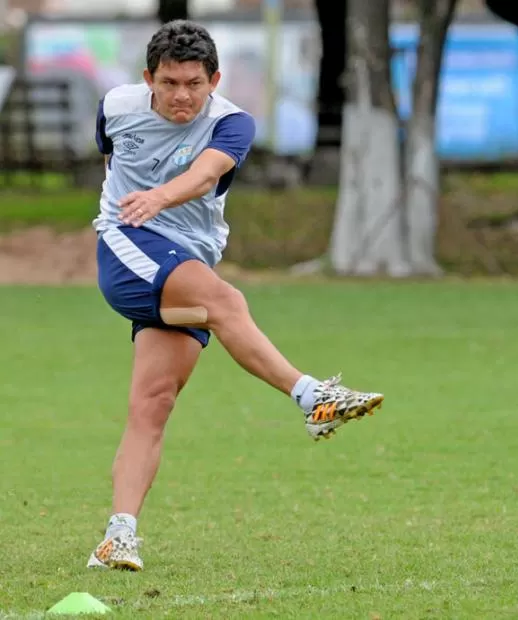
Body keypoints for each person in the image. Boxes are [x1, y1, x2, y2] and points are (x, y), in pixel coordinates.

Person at [86, 20, 385, 572]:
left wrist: (160, 197)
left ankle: (117, 537)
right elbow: (112, 161)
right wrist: (137, 208)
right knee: (227, 303)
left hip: (185, 260)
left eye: (194, 83)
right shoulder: (116, 105)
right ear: (148, 77)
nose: (181, 95)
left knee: (153, 405)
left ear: (214, 80)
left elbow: (204, 177)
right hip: (126, 246)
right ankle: (311, 397)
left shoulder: (233, 124)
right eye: (170, 82)